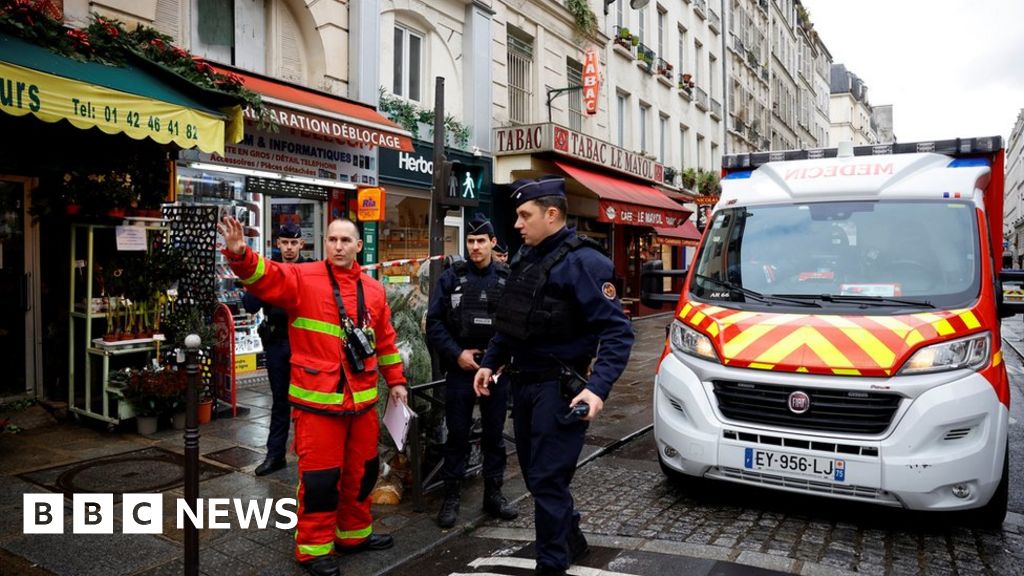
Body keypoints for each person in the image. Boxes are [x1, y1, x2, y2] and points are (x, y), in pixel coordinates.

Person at [218, 216, 408, 576]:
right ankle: (313, 549)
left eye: (345, 240)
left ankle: (354, 534)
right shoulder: (303, 278)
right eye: (332, 239)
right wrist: (240, 253)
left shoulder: (374, 289)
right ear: (326, 243)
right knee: (320, 482)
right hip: (318, 404)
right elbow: (267, 276)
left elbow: (385, 340)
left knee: (363, 475)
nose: (337, 246)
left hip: (362, 403)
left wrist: (395, 380)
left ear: (358, 246)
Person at [473, 177, 635, 576]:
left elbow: (617, 332)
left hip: (559, 389)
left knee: (546, 480)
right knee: (535, 475)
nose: (516, 224)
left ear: (551, 214)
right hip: (523, 386)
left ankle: (552, 563)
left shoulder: (585, 262)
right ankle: (572, 540)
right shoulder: (525, 258)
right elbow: (510, 323)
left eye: (524, 215)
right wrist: (489, 362)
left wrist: (598, 389)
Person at [426, 213, 517, 529]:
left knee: (494, 435)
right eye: (470, 241)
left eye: (481, 241)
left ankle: (494, 495)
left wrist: (502, 359)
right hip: (462, 370)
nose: (475, 247)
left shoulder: (508, 278)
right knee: (458, 436)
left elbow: (519, 325)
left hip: (496, 371)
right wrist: (457, 353)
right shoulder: (451, 277)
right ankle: (451, 498)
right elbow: (434, 323)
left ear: (493, 242)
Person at [241, 222, 306, 476]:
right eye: (284, 243)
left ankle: (308, 454)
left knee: (306, 402)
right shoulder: (269, 269)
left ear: (301, 244)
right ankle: (275, 455)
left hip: (305, 342)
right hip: (278, 341)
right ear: (277, 244)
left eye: (294, 243)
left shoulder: (311, 270)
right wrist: (267, 281)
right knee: (280, 401)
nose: (289, 248)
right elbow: (249, 304)